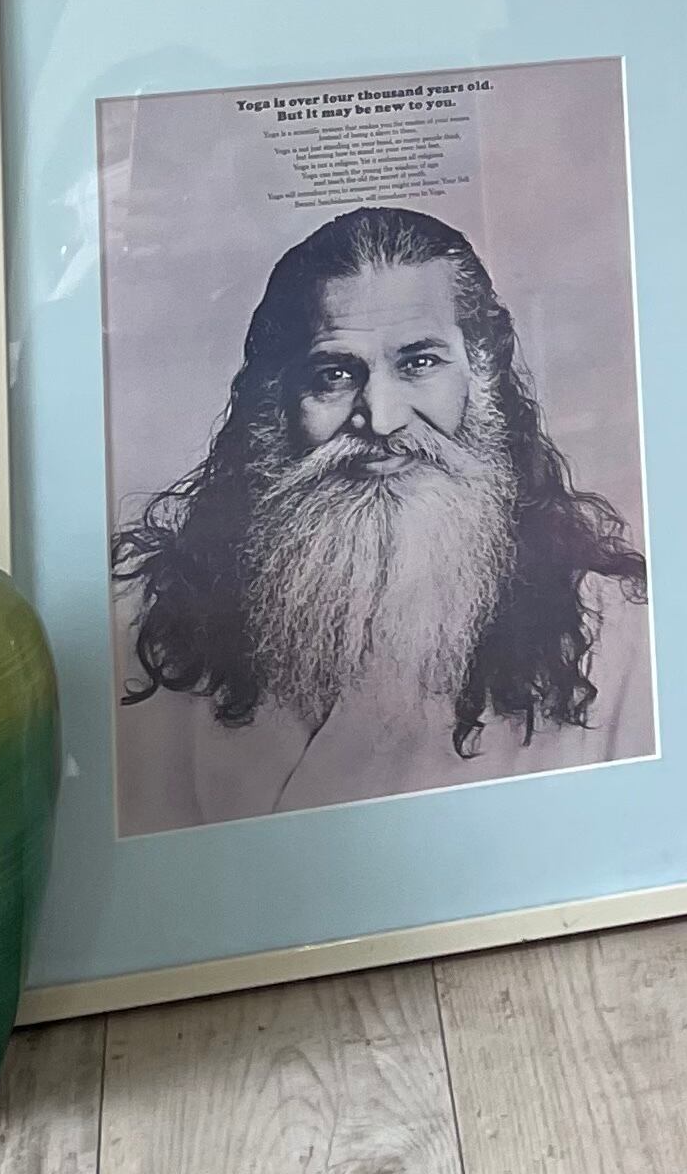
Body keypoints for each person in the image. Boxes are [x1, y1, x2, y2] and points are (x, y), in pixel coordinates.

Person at [109, 205, 653, 830]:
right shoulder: (148, 623)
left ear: (482, 379)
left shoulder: (618, 637)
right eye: (334, 374)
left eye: (419, 363)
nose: (383, 419)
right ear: (277, 403)